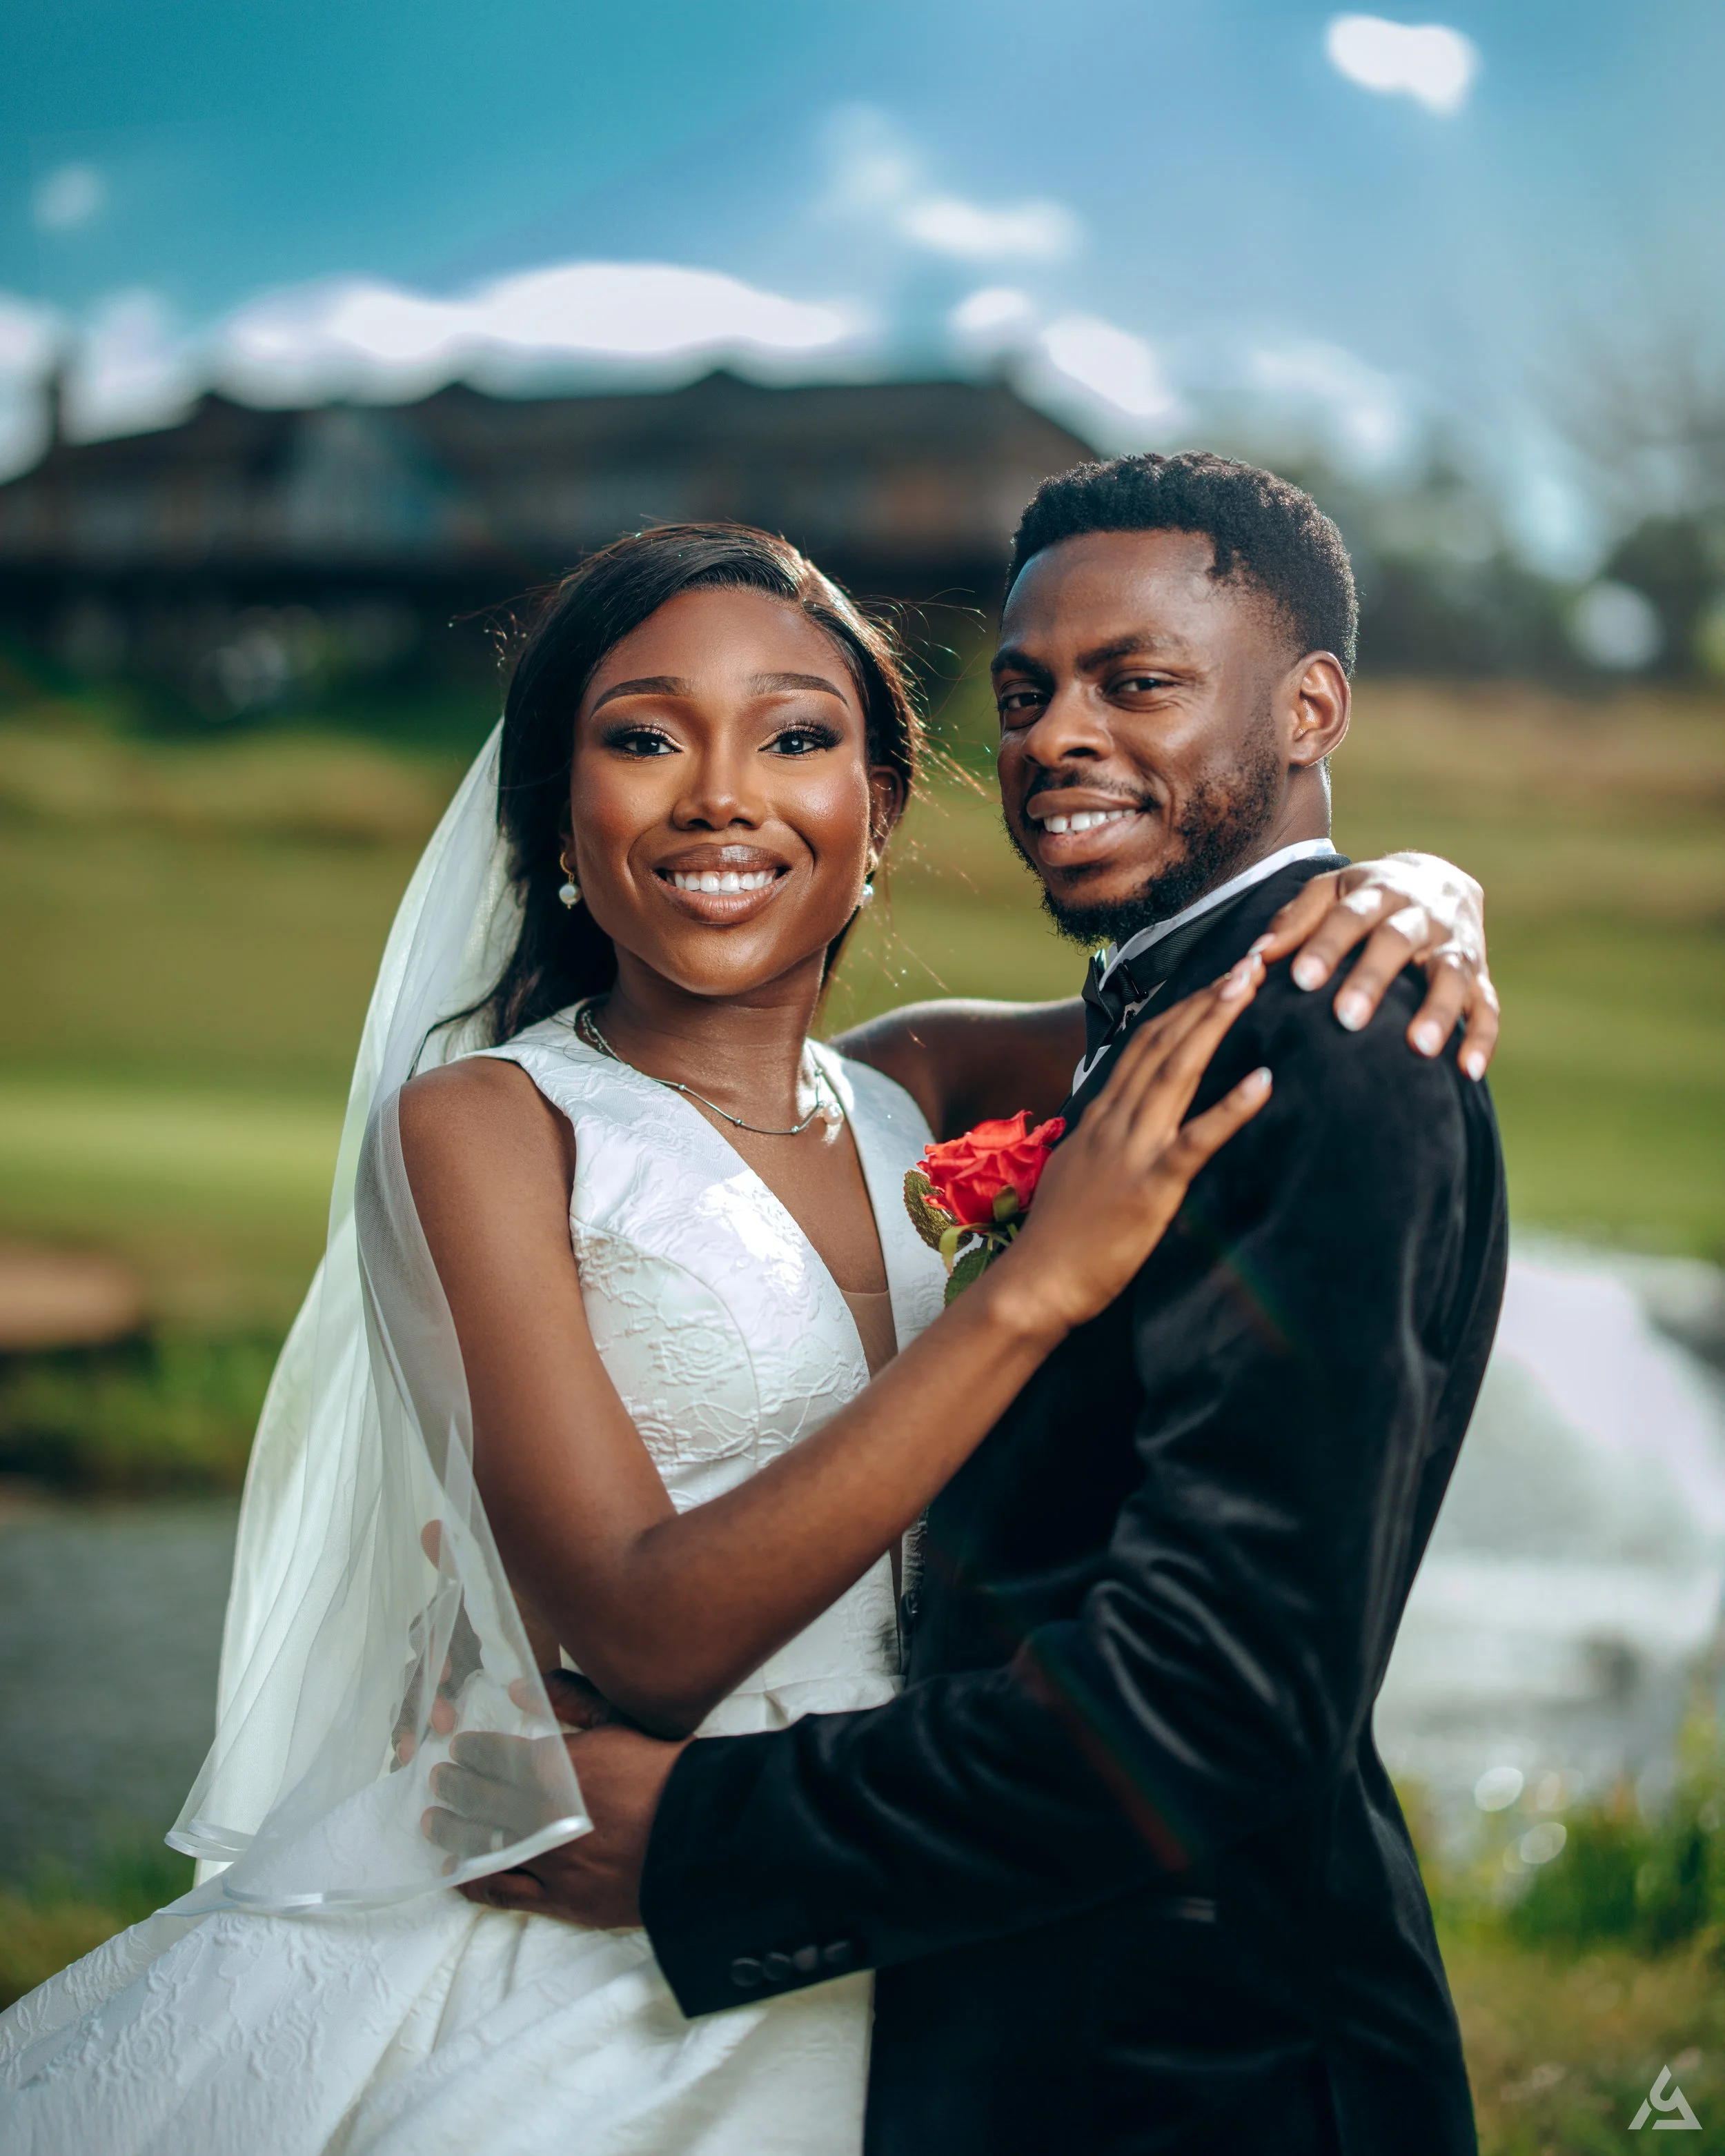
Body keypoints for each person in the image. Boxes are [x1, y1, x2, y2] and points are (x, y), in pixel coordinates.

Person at [0, 508, 1496, 2156]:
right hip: (631, 1892)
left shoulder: (920, 1081)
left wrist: (1418, 885)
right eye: (643, 738)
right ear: (557, 815)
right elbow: (638, 1625)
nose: (720, 791)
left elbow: (1220, 985)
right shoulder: (487, 1126)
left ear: (873, 816)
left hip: (922, 1913)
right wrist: (1026, 1290)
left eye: (795, 736)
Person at [440, 460, 1509, 2156]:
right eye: (1024, 693)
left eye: (1134, 681)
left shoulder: (1316, 1052)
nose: (1057, 734)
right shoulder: (1113, 1032)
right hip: (986, 2019)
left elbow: (1217, 1691)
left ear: (1311, 706)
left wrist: (708, 1834)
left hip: (1204, 2070)